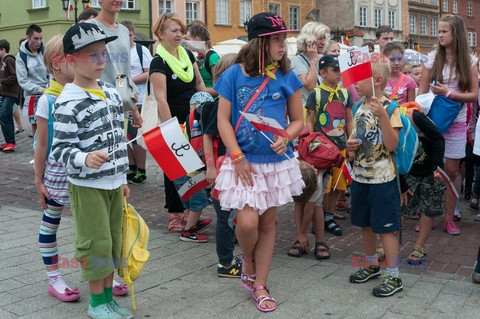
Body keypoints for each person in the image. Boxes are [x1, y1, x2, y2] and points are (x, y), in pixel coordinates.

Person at [214, 12, 304, 312]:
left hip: (275, 163)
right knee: (247, 221)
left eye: (284, 39)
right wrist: (236, 156)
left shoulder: (287, 77)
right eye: (276, 39)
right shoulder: (233, 75)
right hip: (243, 160)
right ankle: (248, 258)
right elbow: (223, 120)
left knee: (267, 223)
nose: (283, 45)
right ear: (259, 42)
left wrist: (287, 137)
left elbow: (298, 120)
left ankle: (261, 284)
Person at [52, 23, 132, 319]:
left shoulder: (110, 93)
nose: (101, 61)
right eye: (92, 56)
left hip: (113, 184)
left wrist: (122, 177)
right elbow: (60, 149)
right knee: (95, 243)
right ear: (71, 60)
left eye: (102, 54)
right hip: (87, 187)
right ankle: (96, 302)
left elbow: (119, 140)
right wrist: (84, 158)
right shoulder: (67, 100)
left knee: (112, 241)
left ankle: (109, 298)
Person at [90, 1, 140, 295]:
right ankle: (99, 272)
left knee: (118, 180)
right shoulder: (89, 28)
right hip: (95, 104)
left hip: (117, 108)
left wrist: (131, 105)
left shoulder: (122, 31)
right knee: (101, 174)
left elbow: (121, 72)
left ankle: (113, 270)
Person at [346, 58, 404, 297]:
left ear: (377, 80)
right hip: (361, 178)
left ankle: (393, 276)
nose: (353, 83)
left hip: (383, 180)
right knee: (366, 223)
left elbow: (392, 145)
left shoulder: (391, 108)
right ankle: (371, 264)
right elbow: (353, 140)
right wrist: (349, 145)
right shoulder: (359, 105)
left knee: (386, 229)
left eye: (359, 77)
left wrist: (382, 116)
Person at [418, 15, 479, 235]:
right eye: (439, 31)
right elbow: (421, 94)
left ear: (456, 34)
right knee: (428, 170)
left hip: (457, 121)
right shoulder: (432, 59)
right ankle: (426, 215)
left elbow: (473, 95)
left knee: (452, 170)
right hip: (433, 121)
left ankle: (449, 217)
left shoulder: (469, 61)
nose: (440, 35)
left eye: (444, 31)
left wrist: (449, 94)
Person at [150, 13, 207, 232]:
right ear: (161, 34)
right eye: (174, 30)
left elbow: (199, 84)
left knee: (195, 167)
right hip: (174, 122)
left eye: (180, 30)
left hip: (194, 121)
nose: (179, 34)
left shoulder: (187, 56)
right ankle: (175, 215)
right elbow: (161, 98)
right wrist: (171, 129)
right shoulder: (159, 62)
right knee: (174, 170)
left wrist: (210, 108)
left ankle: (192, 212)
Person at [33, 35, 79, 302]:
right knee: (51, 224)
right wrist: (38, 180)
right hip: (57, 174)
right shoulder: (47, 100)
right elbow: (41, 144)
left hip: (84, 172)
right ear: (57, 64)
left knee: (90, 225)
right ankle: (54, 278)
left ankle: (102, 273)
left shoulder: (84, 92)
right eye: (74, 58)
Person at [202, 53, 243, 277]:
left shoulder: (235, 102)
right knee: (224, 217)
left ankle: (231, 257)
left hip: (234, 167)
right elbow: (208, 136)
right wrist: (211, 168)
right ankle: (225, 263)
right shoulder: (219, 105)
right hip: (222, 169)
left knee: (231, 216)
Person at [306, 55, 353, 236]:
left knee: (335, 185)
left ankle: (328, 217)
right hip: (322, 149)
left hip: (340, 147)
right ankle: (316, 218)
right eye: (335, 70)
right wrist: (312, 142)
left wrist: (349, 145)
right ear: (323, 73)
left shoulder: (345, 94)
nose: (339, 74)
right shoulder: (316, 94)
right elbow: (309, 121)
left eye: (340, 70)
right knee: (320, 187)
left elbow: (349, 120)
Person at [399, 103, 445, 264]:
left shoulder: (414, 117)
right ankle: (389, 242)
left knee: (428, 206)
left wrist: (437, 167)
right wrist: (402, 185)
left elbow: (438, 138)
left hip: (429, 168)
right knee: (400, 204)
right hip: (407, 169)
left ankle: (420, 245)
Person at [173, 91, 214, 243]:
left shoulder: (183, 125)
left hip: (178, 173)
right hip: (191, 173)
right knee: (198, 202)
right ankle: (188, 231)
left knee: (190, 201)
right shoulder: (199, 128)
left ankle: (193, 222)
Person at [120, 20, 153, 185]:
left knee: (136, 136)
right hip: (122, 99)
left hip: (138, 99)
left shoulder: (141, 50)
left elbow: (149, 73)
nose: (126, 38)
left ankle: (141, 170)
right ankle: (131, 167)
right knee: (126, 136)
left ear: (133, 34)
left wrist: (129, 80)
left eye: (130, 35)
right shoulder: (119, 52)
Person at [16, 24, 48, 138]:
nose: (39, 41)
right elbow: (23, 81)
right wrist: (41, 89)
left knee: (50, 124)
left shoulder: (44, 51)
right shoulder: (21, 57)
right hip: (32, 98)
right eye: (36, 38)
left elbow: (51, 71)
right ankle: (37, 151)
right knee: (36, 126)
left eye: (41, 38)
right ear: (28, 38)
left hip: (48, 93)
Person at [291, 21, 330, 104]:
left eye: (324, 38)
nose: (323, 42)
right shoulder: (297, 60)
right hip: (306, 111)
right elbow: (310, 86)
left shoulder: (322, 58)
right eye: (319, 38)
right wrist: (313, 61)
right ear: (309, 40)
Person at [184, 23, 219, 96]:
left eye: (188, 39)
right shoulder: (194, 57)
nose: (185, 43)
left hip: (210, 102)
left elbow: (219, 89)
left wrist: (198, 89)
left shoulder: (212, 57)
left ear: (196, 39)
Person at [0, 39, 20, 152]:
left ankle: (11, 142)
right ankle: (9, 141)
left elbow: (14, 76)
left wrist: (2, 81)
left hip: (11, 93)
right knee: (4, 116)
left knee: (4, 115)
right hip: (5, 92)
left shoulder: (9, 60)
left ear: (3, 49)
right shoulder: (3, 61)